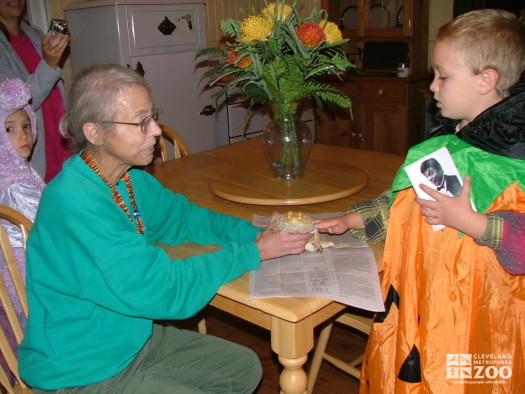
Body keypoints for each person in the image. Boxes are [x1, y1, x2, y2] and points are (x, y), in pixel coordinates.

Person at [18, 64, 312, 393]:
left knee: (242, 369)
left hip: (128, 339)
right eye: (141, 122)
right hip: (81, 370)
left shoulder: (128, 181)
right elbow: (165, 291)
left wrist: (253, 235)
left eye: (153, 115)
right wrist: (253, 253)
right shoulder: (75, 205)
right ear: (95, 133)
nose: (156, 130)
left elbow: (186, 218)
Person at [315, 9, 525, 392]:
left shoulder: (516, 160)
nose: (432, 87)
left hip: (482, 324)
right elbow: (406, 205)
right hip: (421, 307)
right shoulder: (446, 142)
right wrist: (351, 220)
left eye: (443, 76)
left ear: (486, 81)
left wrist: (471, 222)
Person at [0, 0, 71, 182]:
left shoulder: (35, 33)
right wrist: (49, 63)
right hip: (35, 149)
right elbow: (16, 105)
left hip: (59, 137)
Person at [0, 77, 44, 326]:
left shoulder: (14, 169)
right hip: (29, 273)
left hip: (23, 267)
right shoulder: (16, 183)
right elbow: (44, 224)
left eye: (26, 125)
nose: (23, 134)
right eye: (9, 129)